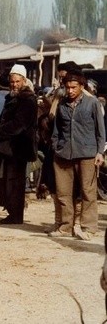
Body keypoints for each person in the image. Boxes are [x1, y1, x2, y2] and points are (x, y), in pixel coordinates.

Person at [49, 69, 105, 240]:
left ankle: (88, 228)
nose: (70, 91)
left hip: (87, 154)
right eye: (67, 87)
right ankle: (65, 227)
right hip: (63, 154)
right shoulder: (62, 104)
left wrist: (99, 152)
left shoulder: (92, 103)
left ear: (82, 86)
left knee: (88, 192)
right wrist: (56, 146)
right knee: (63, 192)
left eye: (74, 87)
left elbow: (100, 131)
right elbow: (56, 130)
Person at [0, 64, 38, 224]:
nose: (14, 85)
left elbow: (19, 124)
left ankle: (16, 215)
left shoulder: (28, 99)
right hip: (9, 147)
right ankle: (13, 212)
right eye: (12, 82)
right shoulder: (12, 97)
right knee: (8, 181)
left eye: (17, 82)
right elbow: (4, 118)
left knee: (15, 182)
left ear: (24, 81)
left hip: (19, 147)